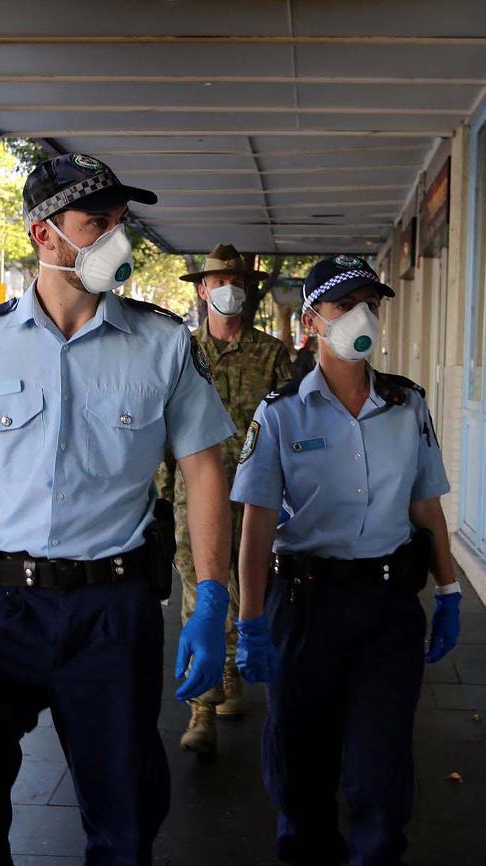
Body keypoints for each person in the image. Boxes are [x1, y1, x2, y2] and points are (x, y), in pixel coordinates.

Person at [0, 153, 236, 866]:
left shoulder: (159, 344)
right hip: (7, 607)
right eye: (97, 223)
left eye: (122, 224)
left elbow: (204, 466)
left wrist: (211, 594)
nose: (115, 241)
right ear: (44, 235)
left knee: (124, 817)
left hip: (112, 609)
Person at [231, 254, 460, 866]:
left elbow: (427, 507)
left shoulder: (408, 406)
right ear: (312, 321)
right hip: (304, 608)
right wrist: (250, 620)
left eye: (372, 305)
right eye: (344, 305)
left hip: (386, 610)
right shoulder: (280, 413)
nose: (363, 317)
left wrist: (450, 590)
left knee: (379, 774)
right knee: (301, 772)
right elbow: (255, 525)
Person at [158, 243, 291, 754]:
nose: (227, 289)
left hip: (254, 494)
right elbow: (162, 423)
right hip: (196, 494)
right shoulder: (182, 352)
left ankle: (231, 671)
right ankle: (201, 709)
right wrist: (163, 490)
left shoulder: (271, 353)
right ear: (202, 288)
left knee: (245, 584)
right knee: (199, 590)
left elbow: (286, 427)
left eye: (235, 281)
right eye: (218, 281)